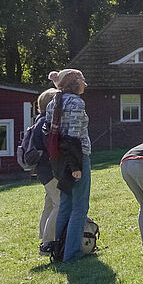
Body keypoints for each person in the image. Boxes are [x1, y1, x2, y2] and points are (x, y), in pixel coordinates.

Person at [46, 68, 93, 262]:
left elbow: (50, 133)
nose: (85, 84)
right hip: (77, 157)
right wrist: (76, 167)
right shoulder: (76, 103)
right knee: (80, 206)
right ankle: (72, 253)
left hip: (58, 159)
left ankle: (60, 249)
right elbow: (73, 136)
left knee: (65, 204)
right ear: (74, 81)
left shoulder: (52, 103)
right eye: (82, 79)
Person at [35, 86, 59, 254]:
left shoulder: (38, 120)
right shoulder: (46, 123)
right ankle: (47, 243)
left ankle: (44, 238)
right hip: (50, 170)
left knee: (49, 205)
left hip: (42, 171)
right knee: (61, 204)